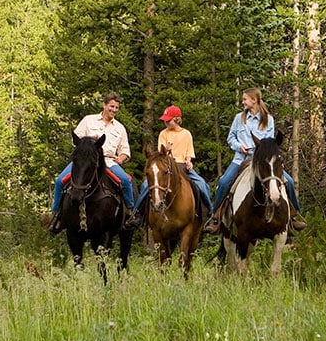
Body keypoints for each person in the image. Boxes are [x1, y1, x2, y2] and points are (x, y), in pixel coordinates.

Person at [204, 88, 307, 234]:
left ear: (254, 100)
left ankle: (293, 216)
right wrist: (239, 146)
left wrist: (258, 151)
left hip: (261, 161)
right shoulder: (239, 118)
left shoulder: (268, 120)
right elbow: (230, 137)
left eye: (245, 99)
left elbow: (269, 143)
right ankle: (216, 217)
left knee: (288, 182)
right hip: (240, 159)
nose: (243, 101)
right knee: (224, 182)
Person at [47, 93, 135, 232]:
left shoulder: (120, 128)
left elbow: (125, 151)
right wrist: (88, 141)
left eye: (117, 107)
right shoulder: (89, 120)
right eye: (111, 106)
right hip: (85, 160)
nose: (114, 110)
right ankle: (57, 215)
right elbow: (75, 139)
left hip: (108, 161)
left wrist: (121, 158)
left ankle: (130, 213)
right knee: (59, 181)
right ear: (104, 105)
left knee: (125, 181)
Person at [127, 105, 213, 227]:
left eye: (169, 120)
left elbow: (189, 152)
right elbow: (160, 154)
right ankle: (137, 213)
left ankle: (210, 213)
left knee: (202, 184)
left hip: (182, 165)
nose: (166, 123)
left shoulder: (186, 134)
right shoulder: (163, 134)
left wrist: (189, 161)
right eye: (165, 120)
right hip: (167, 165)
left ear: (177, 120)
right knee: (146, 185)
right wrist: (166, 150)